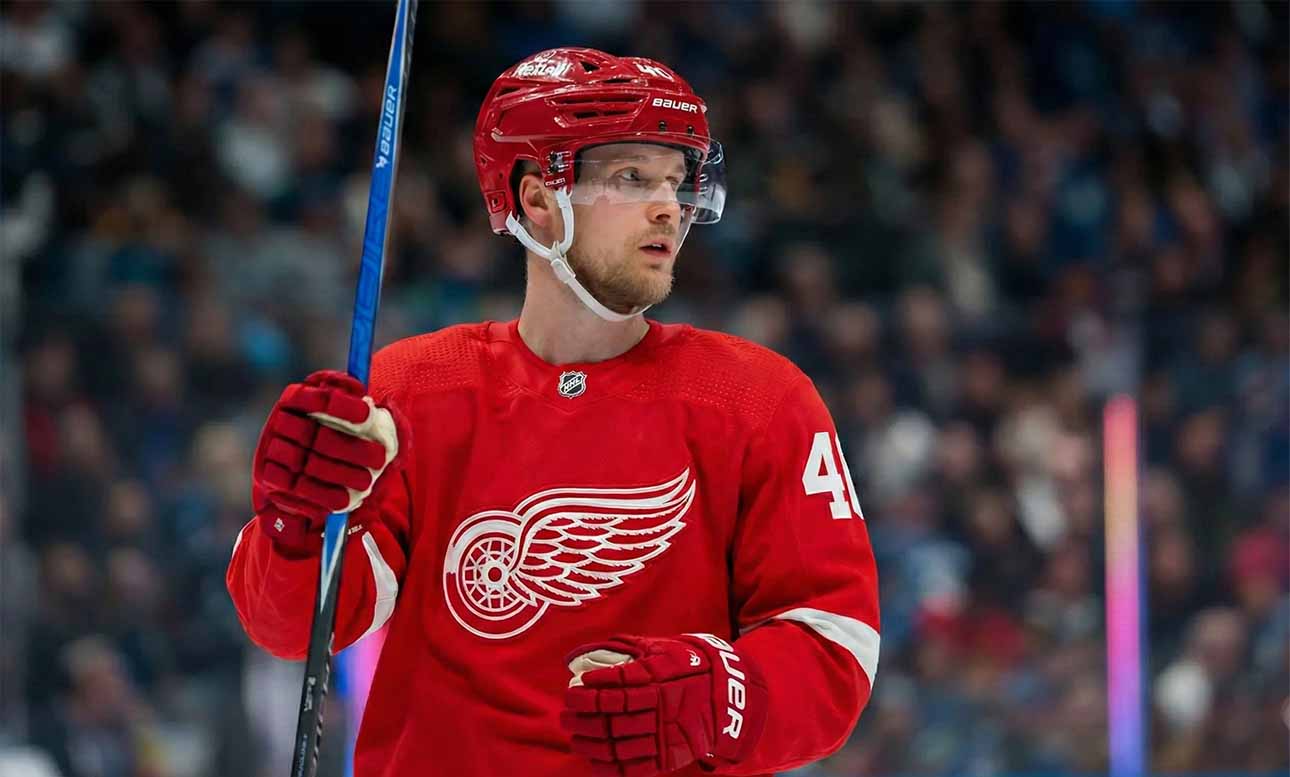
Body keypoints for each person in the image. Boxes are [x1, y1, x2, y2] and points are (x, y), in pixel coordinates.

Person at [226, 47, 880, 777]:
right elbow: (291, 627)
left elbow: (834, 645)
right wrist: (294, 525)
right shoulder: (409, 392)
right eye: (632, 177)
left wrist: (722, 692)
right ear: (537, 199)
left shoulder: (762, 400)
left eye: (676, 178)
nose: (669, 205)